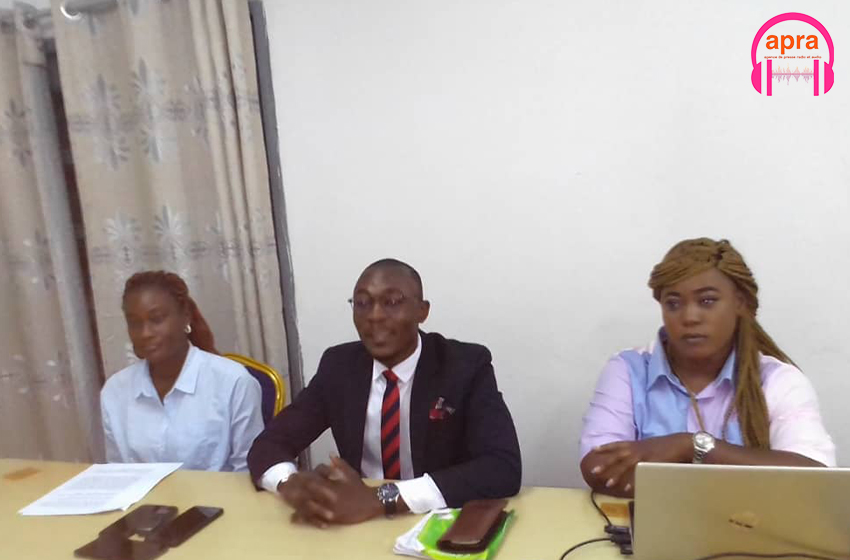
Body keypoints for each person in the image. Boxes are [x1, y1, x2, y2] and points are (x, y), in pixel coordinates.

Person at [248, 258, 521, 526]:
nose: (374, 315)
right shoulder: (339, 366)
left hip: (435, 521)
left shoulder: (464, 366)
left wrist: (382, 498)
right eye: (362, 303)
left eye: (391, 302)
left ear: (422, 311)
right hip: (357, 521)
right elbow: (269, 443)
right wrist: (289, 483)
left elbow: (502, 467)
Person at [580, 238, 836, 498]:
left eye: (707, 301)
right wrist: (742, 479)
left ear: (740, 303)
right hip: (648, 523)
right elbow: (599, 468)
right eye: (673, 303)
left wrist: (691, 446)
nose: (689, 317)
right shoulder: (627, 370)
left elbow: (813, 480)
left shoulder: (778, 380)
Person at [101, 270, 264, 472]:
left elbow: (248, 471)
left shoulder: (233, 383)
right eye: (135, 323)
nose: (145, 333)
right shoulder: (115, 391)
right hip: (144, 495)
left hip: (217, 494)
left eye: (156, 319)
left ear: (185, 316)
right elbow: (118, 474)